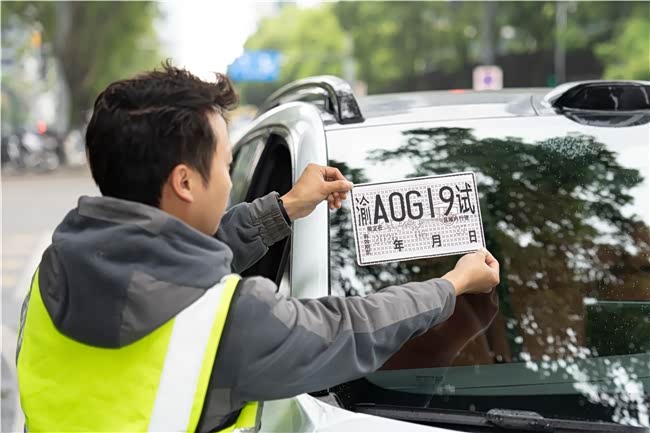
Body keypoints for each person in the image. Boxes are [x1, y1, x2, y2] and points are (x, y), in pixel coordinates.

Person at [16, 62, 500, 433]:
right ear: (184, 182)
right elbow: (349, 328)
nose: (230, 181)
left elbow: (167, 265)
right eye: (226, 166)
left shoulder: (55, 272)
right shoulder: (228, 321)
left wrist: (284, 208)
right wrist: (452, 285)